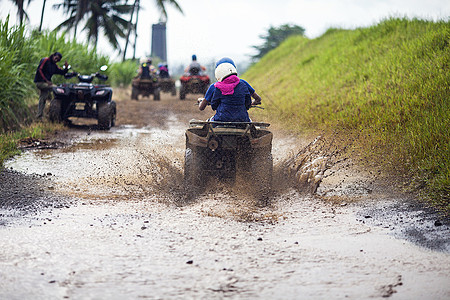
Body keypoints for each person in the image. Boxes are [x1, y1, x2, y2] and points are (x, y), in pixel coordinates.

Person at [198, 57, 262, 122]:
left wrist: (202, 102)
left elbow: (212, 106)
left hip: (221, 120)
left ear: (218, 71)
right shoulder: (243, 83)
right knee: (250, 122)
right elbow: (250, 102)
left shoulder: (215, 86)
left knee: (208, 122)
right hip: (242, 120)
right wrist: (250, 104)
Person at [34, 52, 69, 119]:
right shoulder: (45, 60)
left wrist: (66, 68)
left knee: (42, 99)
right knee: (56, 88)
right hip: (40, 82)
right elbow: (39, 69)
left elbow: (61, 72)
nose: (56, 60)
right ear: (53, 56)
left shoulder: (54, 66)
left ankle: (39, 116)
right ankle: (52, 106)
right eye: (56, 58)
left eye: (58, 60)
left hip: (46, 83)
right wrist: (46, 80)